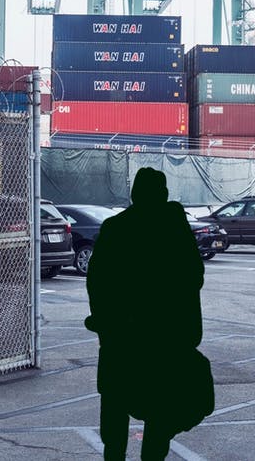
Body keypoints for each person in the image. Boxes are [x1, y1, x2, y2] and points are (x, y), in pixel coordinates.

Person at [84, 167, 214, 460]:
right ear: (163, 194)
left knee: (115, 408)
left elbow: (97, 281)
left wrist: (105, 322)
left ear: (134, 195)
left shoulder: (116, 228)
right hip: (165, 340)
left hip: (120, 338)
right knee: (160, 413)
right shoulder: (173, 228)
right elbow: (194, 276)